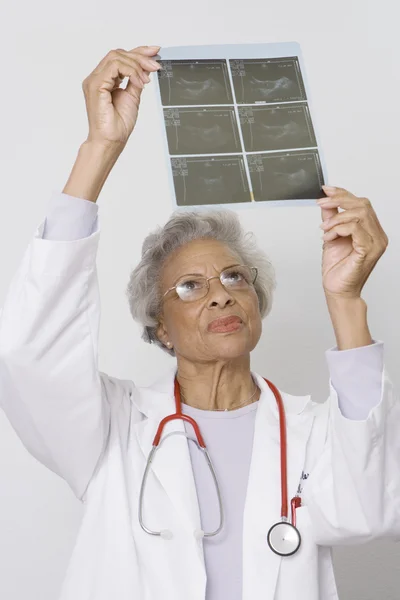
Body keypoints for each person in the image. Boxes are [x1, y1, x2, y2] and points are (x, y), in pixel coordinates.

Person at [0, 45, 399, 600]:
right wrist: (100, 148)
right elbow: (31, 352)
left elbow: (369, 510)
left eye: (236, 278)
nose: (220, 296)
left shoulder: (309, 433)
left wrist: (347, 299)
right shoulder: (113, 429)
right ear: (160, 326)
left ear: (257, 304)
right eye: (190, 287)